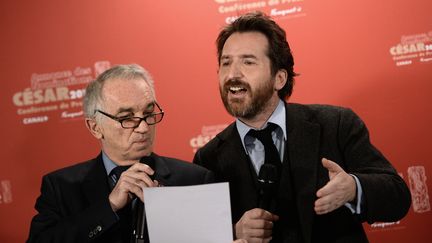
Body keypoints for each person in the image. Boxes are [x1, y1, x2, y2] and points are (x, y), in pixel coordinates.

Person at [193, 11, 411, 243]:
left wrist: (354, 188)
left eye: (248, 62)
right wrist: (233, 231)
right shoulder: (208, 160)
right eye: (226, 63)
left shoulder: (336, 125)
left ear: (280, 78)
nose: (233, 74)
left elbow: (398, 199)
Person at [27, 64, 215, 243]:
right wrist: (109, 207)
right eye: (127, 118)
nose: (143, 127)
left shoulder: (195, 179)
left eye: (148, 113)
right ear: (95, 127)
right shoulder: (60, 187)